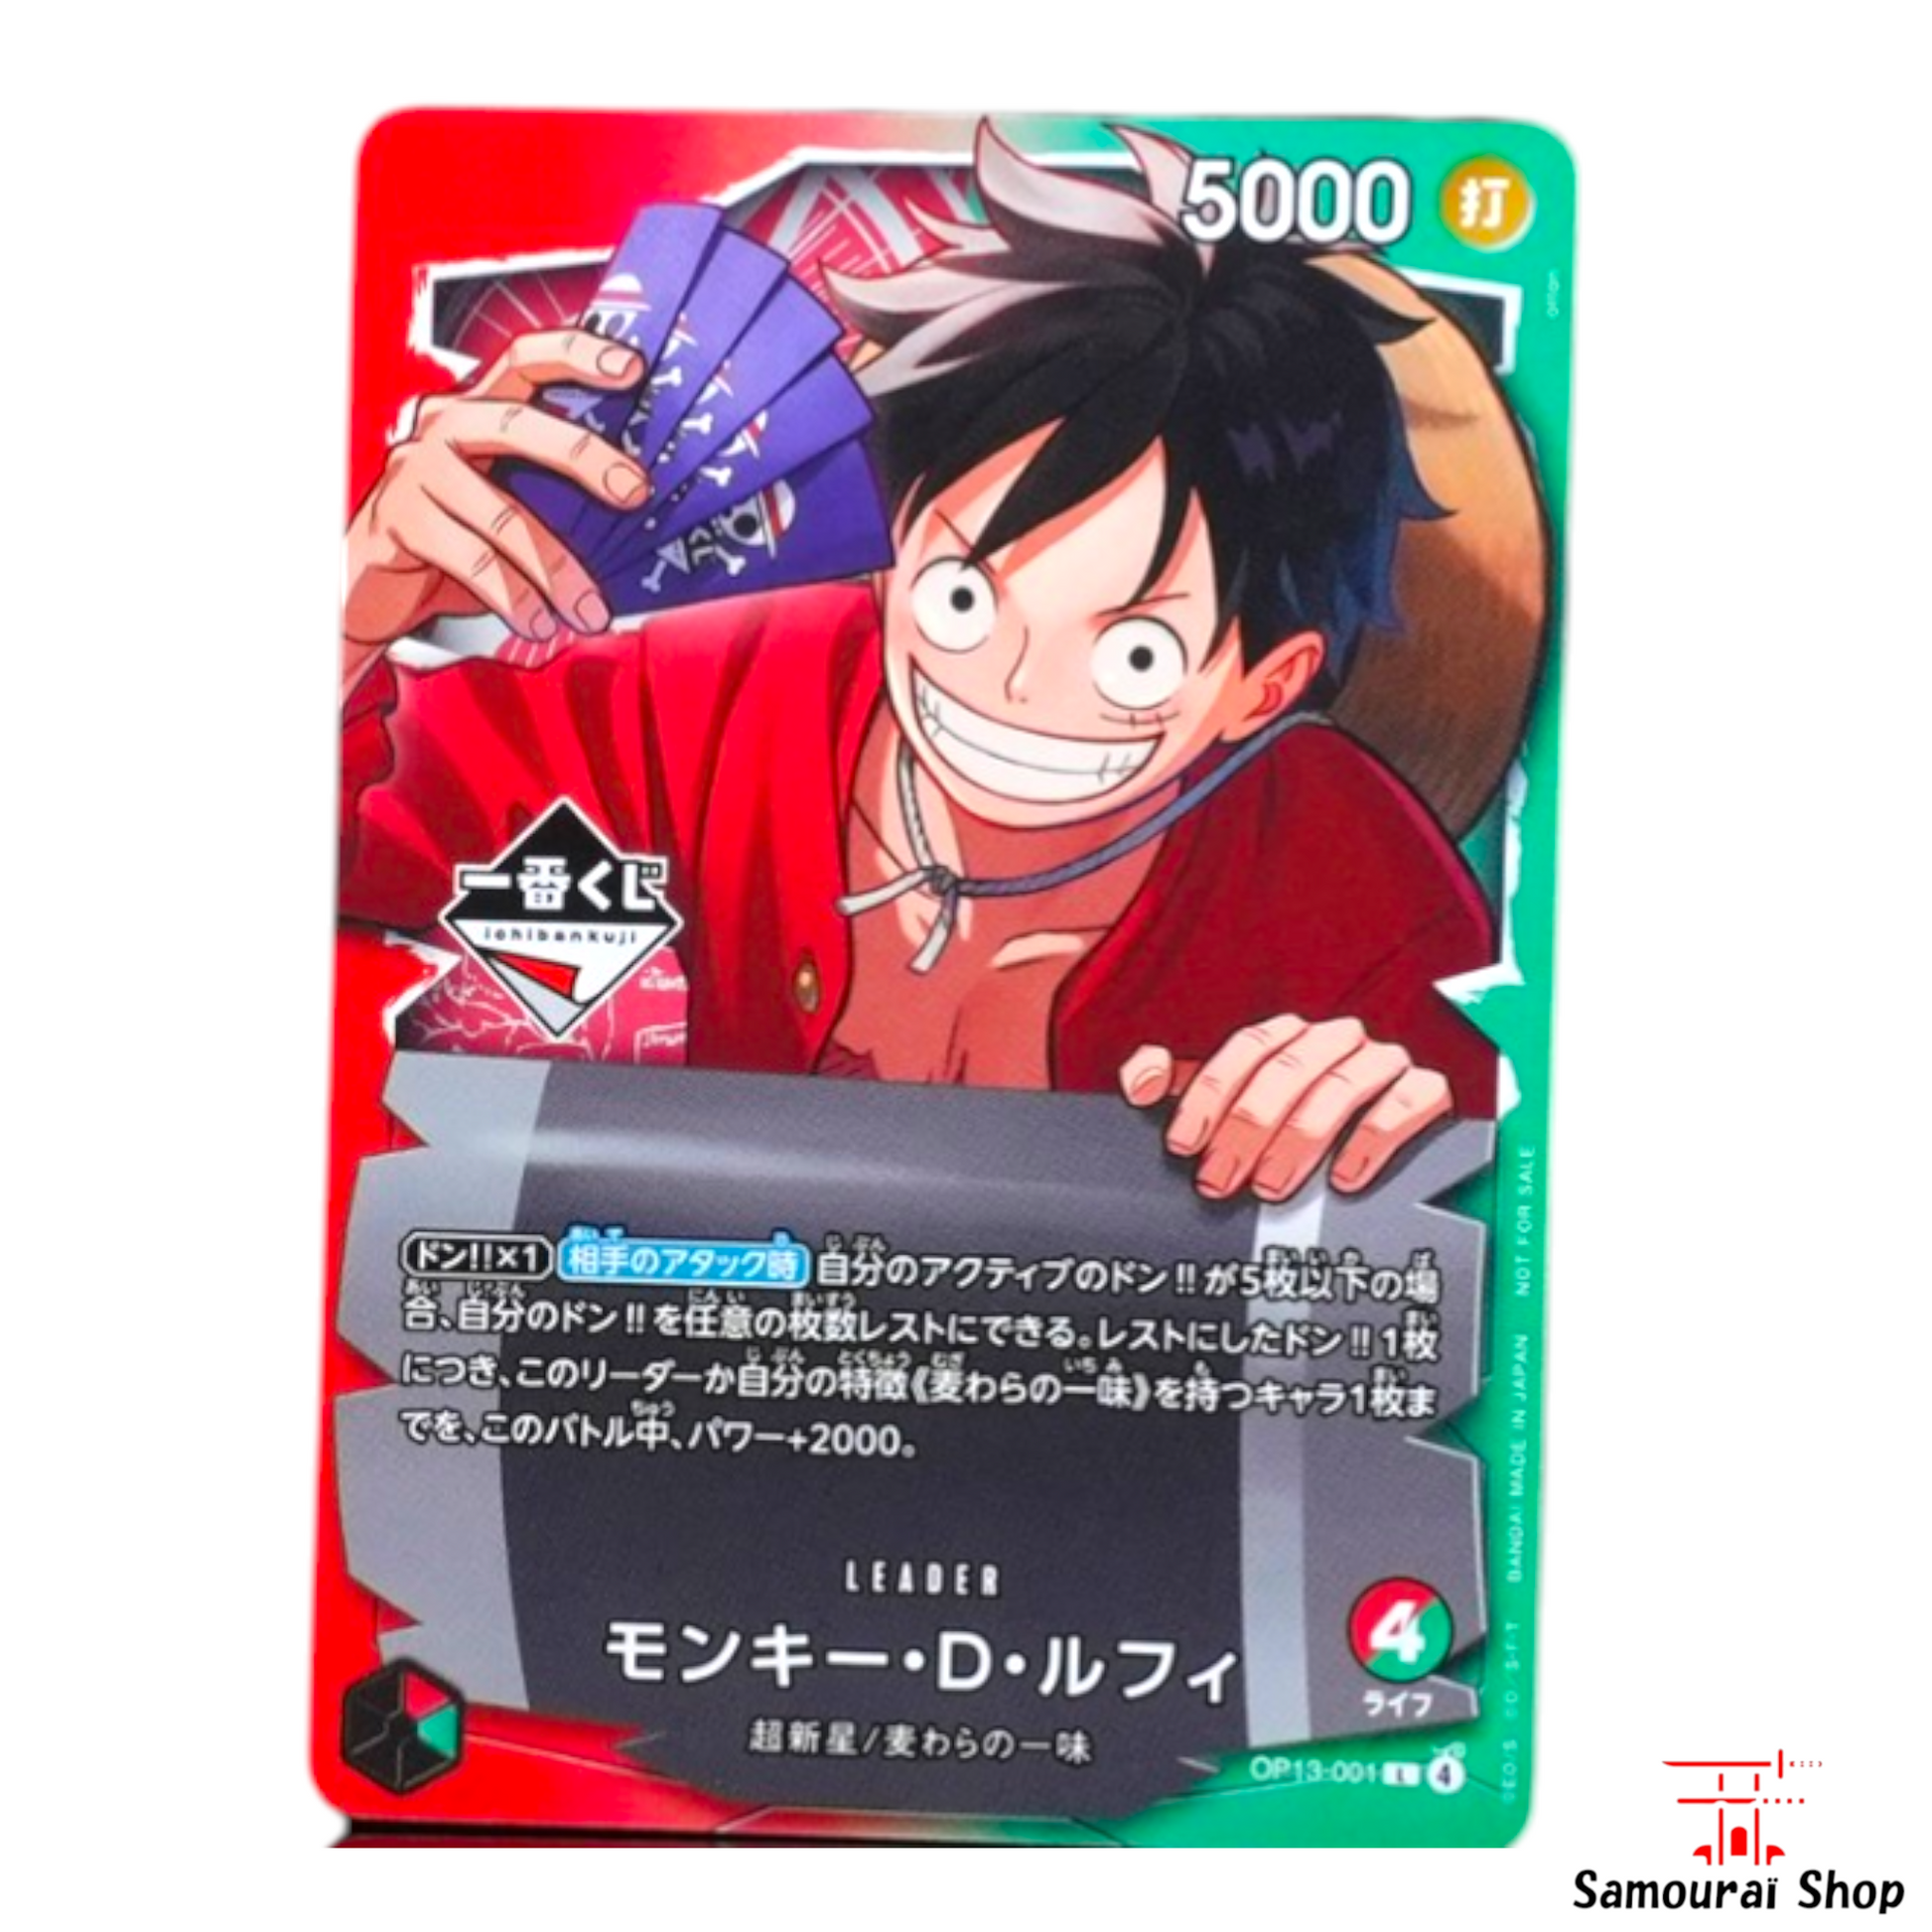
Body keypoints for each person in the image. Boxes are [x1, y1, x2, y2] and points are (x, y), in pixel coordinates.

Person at [340, 124, 1542, 1204]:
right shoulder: (712, 698)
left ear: (1261, 686)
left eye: (1134, 653)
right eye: (962, 596)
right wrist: (348, 616)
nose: (1010, 686)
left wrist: (1394, 1117)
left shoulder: (1354, 887)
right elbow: (352, 840)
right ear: (888, 554)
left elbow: (1476, 1206)